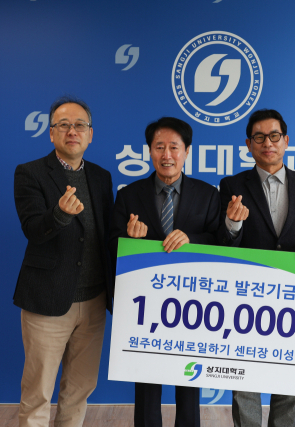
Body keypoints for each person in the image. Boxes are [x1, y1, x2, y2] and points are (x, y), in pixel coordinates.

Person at [217, 109, 295, 427]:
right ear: (248, 144)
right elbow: (222, 243)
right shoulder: (231, 185)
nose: (267, 143)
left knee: (289, 384)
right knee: (245, 384)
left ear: (286, 140)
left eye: (274, 136)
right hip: (246, 300)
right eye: (259, 137)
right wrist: (232, 223)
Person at [110, 117, 220, 427]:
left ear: (187, 151)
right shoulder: (129, 195)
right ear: (149, 151)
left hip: (193, 304)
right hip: (146, 305)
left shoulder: (208, 194)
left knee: (189, 380)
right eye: (159, 147)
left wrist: (192, 239)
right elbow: (111, 244)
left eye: (174, 147)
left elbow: (220, 241)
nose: (167, 155)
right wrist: (129, 240)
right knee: (146, 383)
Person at [13, 96, 114, 427]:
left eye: (80, 125)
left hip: (94, 301)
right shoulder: (30, 173)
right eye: (64, 125)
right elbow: (32, 229)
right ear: (51, 133)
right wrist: (58, 214)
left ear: (90, 134)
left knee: (79, 390)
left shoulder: (101, 177)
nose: (73, 131)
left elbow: (105, 234)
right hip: (48, 300)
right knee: (38, 394)